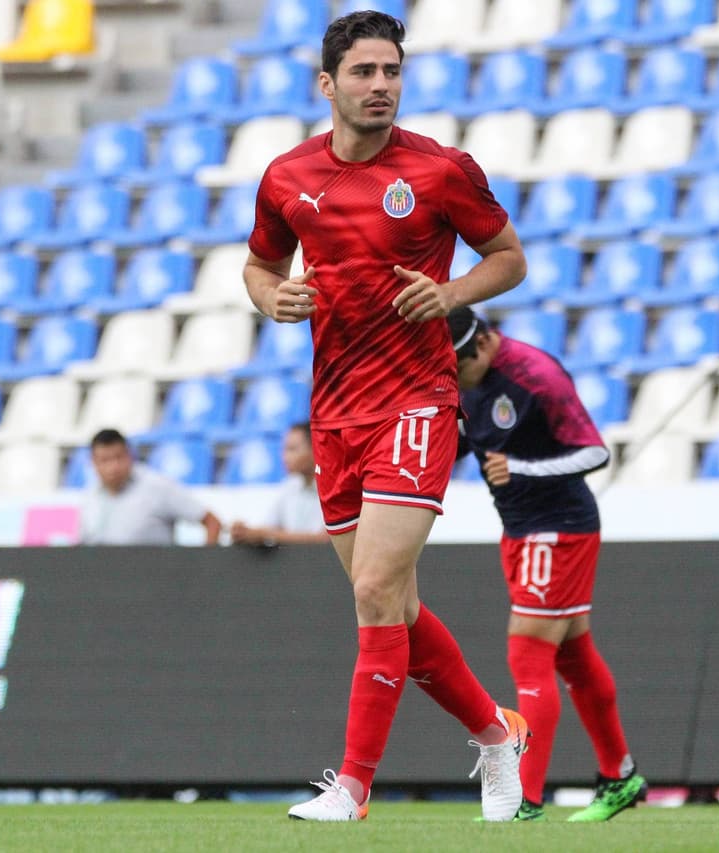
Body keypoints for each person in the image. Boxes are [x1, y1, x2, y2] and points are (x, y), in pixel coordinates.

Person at [242, 11, 530, 822]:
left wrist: (451, 293)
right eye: (364, 72)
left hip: (417, 401)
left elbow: (510, 257)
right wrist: (273, 298)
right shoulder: (287, 176)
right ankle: (497, 733)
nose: (381, 86)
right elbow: (260, 265)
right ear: (327, 84)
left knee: (373, 587)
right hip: (335, 413)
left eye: (392, 71)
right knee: (394, 606)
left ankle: (353, 787)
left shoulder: (440, 170)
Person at [448, 307, 645, 823]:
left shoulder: (536, 376)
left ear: (482, 345)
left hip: (556, 527)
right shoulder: (469, 378)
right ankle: (620, 776)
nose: (457, 380)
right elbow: (470, 435)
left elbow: (594, 453)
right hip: (520, 527)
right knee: (574, 656)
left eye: (459, 368)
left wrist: (521, 468)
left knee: (528, 653)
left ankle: (525, 799)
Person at [81, 429, 223, 545]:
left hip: (154, 570)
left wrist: (205, 567)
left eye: (119, 457)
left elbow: (212, 522)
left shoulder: (157, 486)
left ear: (130, 455)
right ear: (93, 463)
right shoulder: (90, 495)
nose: (113, 467)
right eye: (105, 460)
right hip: (101, 570)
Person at [229, 423, 327, 546]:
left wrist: (265, 535)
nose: (285, 457)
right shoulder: (289, 485)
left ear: (315, 449)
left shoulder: (332, 487)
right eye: (284, 450)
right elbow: (269, 526)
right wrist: (246, 533)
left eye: (292, 449)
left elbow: (326, 539)